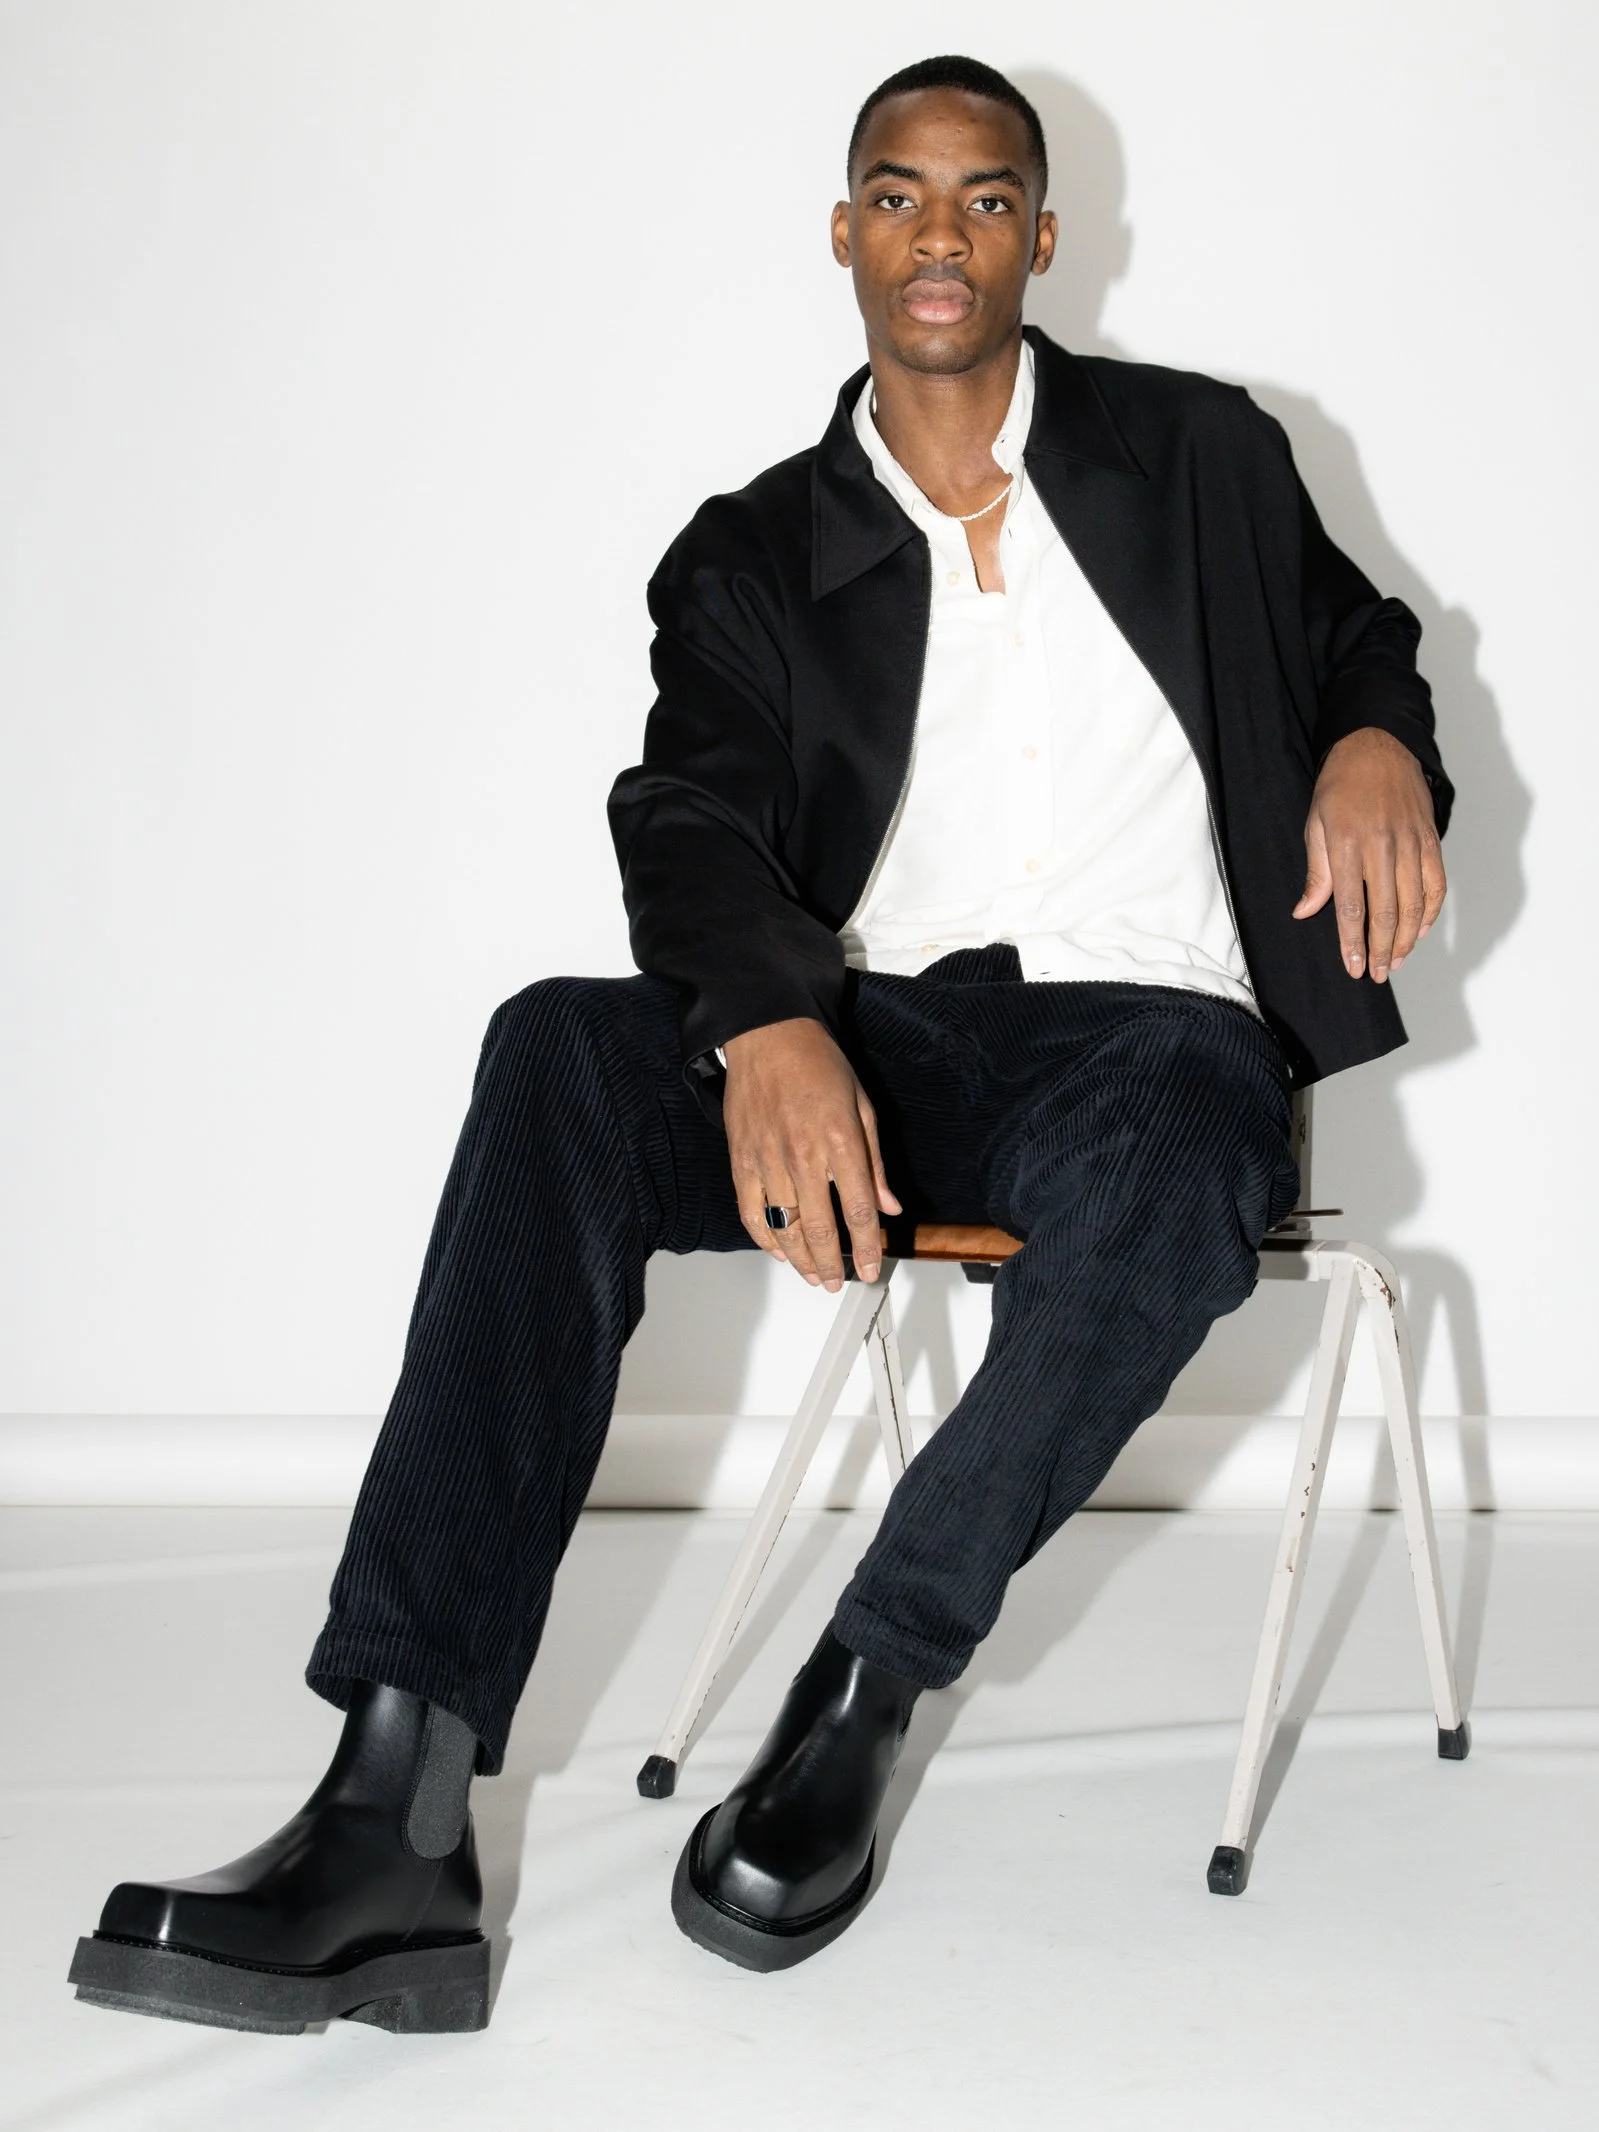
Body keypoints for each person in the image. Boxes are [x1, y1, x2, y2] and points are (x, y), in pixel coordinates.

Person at [68, 53, 1451, 2027]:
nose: (939, 238)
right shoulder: (749, 554)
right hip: (877, 1035)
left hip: (1155, 1038)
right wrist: (774, 1028)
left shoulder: (1201, 457)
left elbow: (1354, 641)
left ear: (1044, 238)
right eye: (896, 195)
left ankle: (864, 1687)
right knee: (555, 1050)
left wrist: (1382, 740)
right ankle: (397, 1812)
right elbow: (695, 823)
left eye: (983, 200)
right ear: (844, 228)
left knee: (1164, 1150)